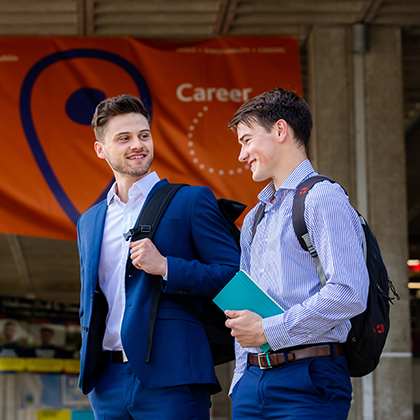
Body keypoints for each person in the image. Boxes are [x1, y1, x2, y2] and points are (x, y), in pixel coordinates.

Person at [77, 94, 240, 419]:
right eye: (124, 138)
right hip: (106, 382)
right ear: (100, 149)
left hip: (174, 378)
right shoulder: (89, 221)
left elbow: (234, 275)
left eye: (143, 135)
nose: (137, 145)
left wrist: (167, 267)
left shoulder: (191, 200)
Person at [224, 87, 369, 420]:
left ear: (279, 130)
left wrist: (269, 330)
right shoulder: (254, 219)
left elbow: (349, 293)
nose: (242, 155)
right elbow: (246, 310)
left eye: (246, 140)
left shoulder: (323, 197)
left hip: (309, 378)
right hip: (252, 382)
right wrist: (240, 380)